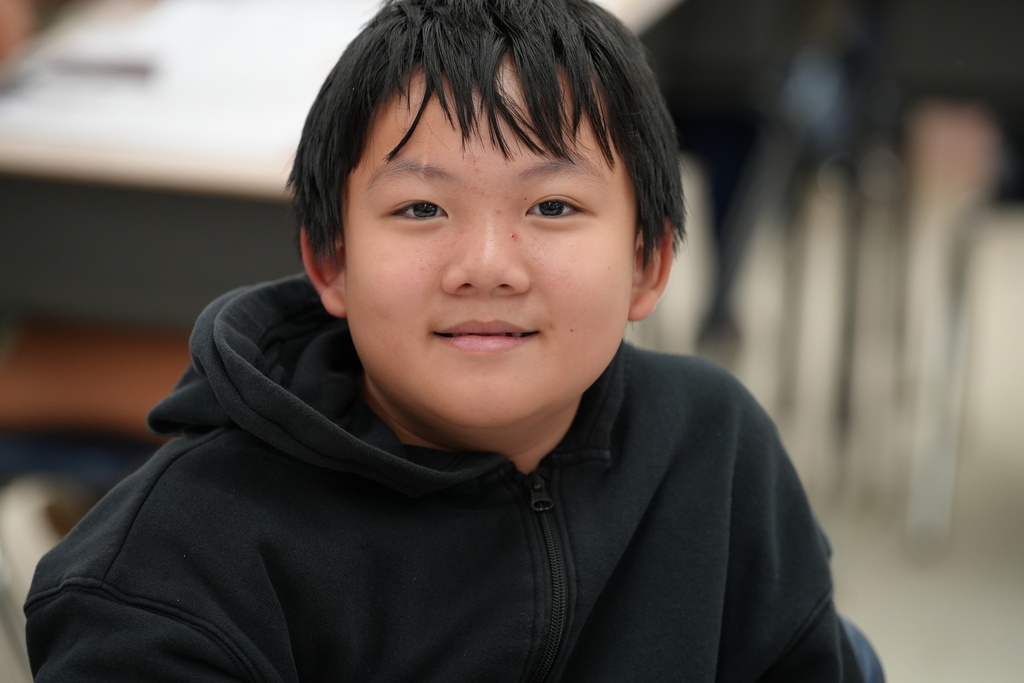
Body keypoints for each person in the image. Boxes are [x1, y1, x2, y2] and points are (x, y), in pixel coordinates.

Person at [24, 0, 879, 680]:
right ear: (332, 262)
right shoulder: (171, 575)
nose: (485, 266)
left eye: (552, 207)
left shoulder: (712, 447)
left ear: (648, 265)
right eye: (421, 209)